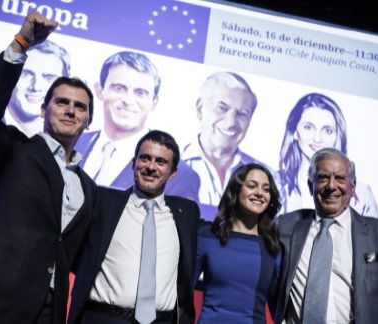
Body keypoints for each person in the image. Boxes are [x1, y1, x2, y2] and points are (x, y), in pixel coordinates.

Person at [0, 12, 96, 324]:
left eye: (80, 106)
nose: (70, 110)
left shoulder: (88, 187)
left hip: (47, 313)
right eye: (62, 102)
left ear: (89, 120)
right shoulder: (14, 151)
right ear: (43, 109)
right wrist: (21, 44)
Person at [68, 130, 200, 324]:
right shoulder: (104, 202)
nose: (151, 167)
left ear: (173, 173)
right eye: (145, 158)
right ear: (133, 163)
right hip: (102, 318)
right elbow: (74, 252)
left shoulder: (186, 213)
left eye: (161, 162)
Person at [273, 147, 378, 324]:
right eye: (323, 177)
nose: (331, 186)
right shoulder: (286, 226)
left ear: (352, 187)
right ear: (310, 186)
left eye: (340, 178)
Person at [74, 51, 200, 201]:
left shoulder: (180, 175)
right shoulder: (71, 143)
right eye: (119, 88)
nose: (128, 100)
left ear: (154, 102)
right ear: (100, 91)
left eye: (140, 93)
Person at [194, 163, 281, 323]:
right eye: (252, 186)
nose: (260, 193)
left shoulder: (273, 247)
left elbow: (278, 306)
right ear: (236, 190)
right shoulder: (208, 237)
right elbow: (184, 293)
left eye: (266, 189)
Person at [277, 92, 378, 217]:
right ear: (294, 132)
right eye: (308, 127)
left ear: (338, 136)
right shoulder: (275, 185)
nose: (317, 138)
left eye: (327, 130)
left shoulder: (362, 195)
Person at [182, 71, 272, 209]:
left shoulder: (269, 178)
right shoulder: (170, 166)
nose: (230, 122)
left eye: (242, 114)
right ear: (200, 109)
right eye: (222, 108)